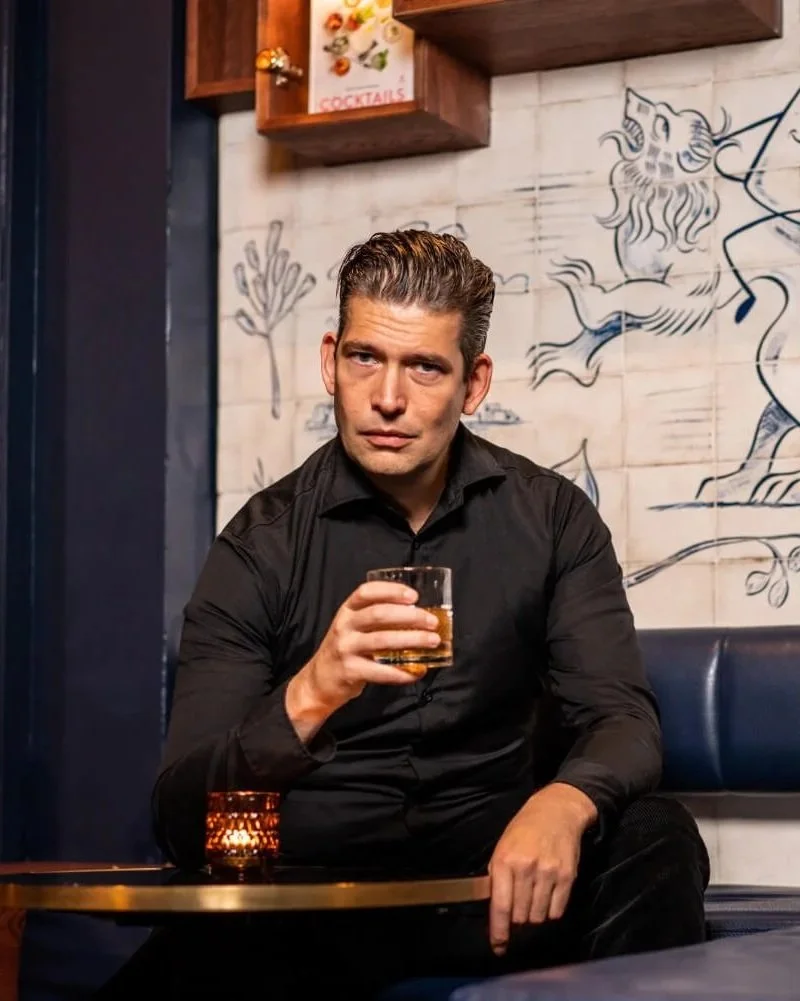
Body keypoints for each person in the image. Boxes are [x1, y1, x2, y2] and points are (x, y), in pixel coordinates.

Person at [98, 229, 709, 999]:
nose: (389, 397)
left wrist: (564, 801)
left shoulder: (552, 518)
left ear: (473, 383)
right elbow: (182, 815)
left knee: (657, 836)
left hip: (496, 895)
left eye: (424, 366)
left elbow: (624, 717)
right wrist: (312, 691)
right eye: (365, 359)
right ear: (331, 362)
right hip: (305, 910)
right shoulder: (262, 542)